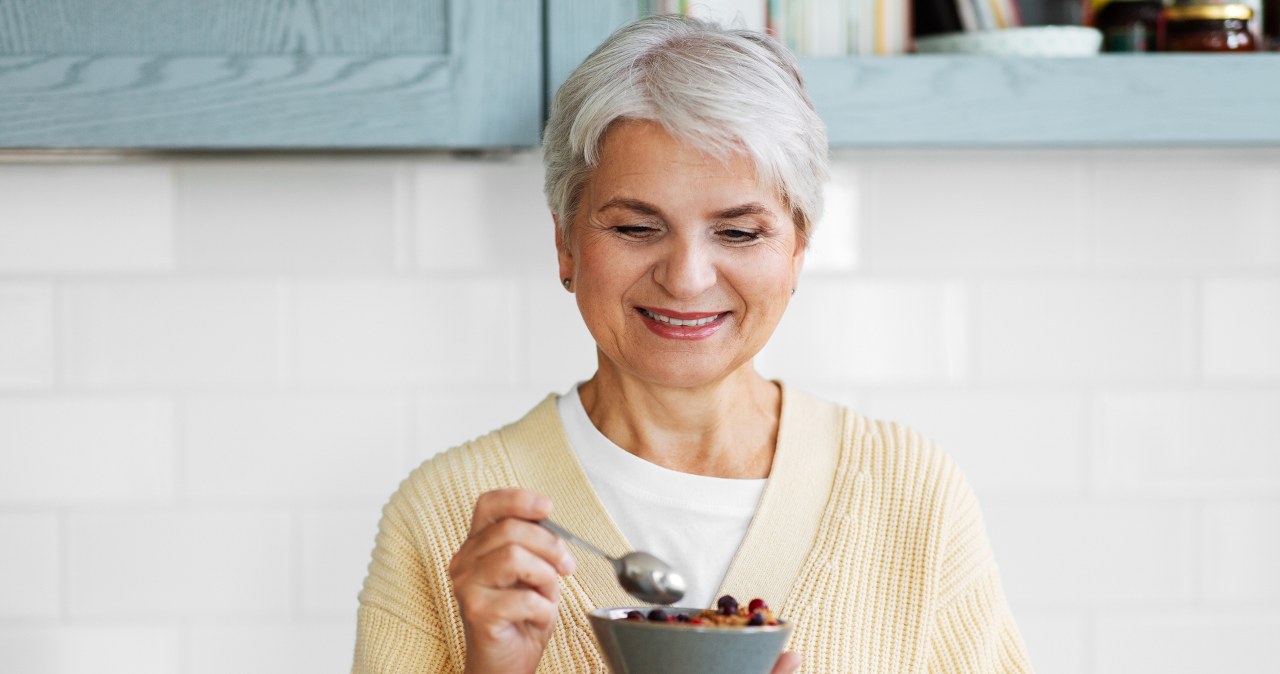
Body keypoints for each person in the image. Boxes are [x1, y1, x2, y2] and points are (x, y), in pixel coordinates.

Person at [352, 14, 1033, 674]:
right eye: (635, 228)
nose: (685, 278)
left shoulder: (910, 491)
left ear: (796, 250)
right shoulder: (444, 514)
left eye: (738, 233)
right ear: (565, 243)